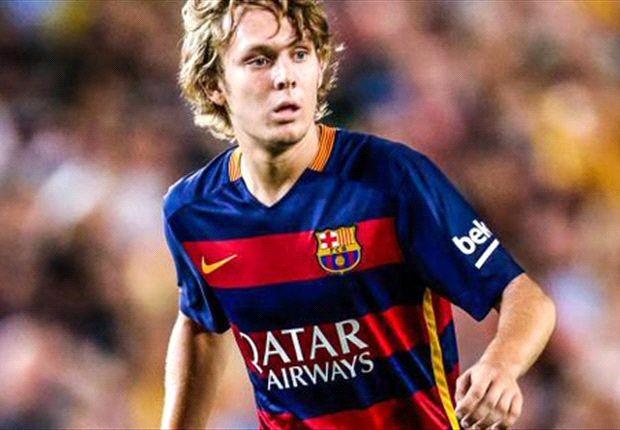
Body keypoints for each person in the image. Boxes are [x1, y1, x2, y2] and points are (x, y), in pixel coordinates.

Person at [161, 1, 556, 429]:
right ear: (214, 83)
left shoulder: (391, 181)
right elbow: (199, 325)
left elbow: (524, 296)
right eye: (259, 59)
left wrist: (501, 365)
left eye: (300, 53)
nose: (285, 76)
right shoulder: (193, 212)